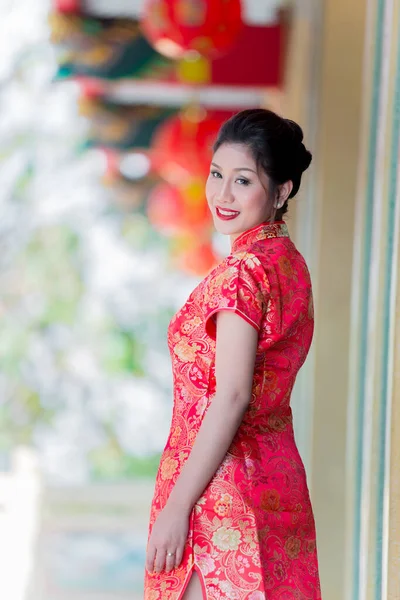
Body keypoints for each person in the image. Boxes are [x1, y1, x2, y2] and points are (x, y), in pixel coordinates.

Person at [144, 108, 322, 600]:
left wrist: (177, 508)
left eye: (242, 180)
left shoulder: (243, 272)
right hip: (275, 481)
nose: (222, 195)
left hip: (220, 495)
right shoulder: (290, 266)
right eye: (216, 174)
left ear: (281, 191)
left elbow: (232, 396)